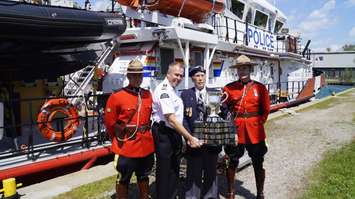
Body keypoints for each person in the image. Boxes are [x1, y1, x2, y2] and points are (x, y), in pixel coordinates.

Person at [104, 60, 154, 199]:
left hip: (145, 144)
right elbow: (110, 123)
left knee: (144, 175)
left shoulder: (147, 95)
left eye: (140, 75)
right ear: (128, 76)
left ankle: (144, 196)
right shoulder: (117, 96)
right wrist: (120, 136)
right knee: (123, 177)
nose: (137, 78)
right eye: (134, 75)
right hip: (126, 144)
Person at [223, 55, 270, 199]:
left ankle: (260, 193)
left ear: (250, 69)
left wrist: (257, 123)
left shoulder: (260, 88)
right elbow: (224, 107)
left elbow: (265, 109)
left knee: (258, 161)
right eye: (239, 68)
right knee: (232, 160)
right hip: (236, 130)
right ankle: (231, 192)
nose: (242, 71)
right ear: (236, 70)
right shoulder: (229, 88)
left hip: (254, 130)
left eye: (245, 68)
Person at [152, 62, 202, 199]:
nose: (179, 78)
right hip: (164, 134)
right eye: (176, 74)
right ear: (168, 74)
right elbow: (172, 119)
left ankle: (172, 195)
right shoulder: (164, 90)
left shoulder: (171, 89)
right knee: (164, 172)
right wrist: (190, 138)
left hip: (173, 133)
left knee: (174, 169)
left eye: (181, 75)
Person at [181, 65, 222, 199]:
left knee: (211, 171)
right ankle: (192, 197)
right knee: (193, 172)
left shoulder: (215, 93)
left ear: (205, 77)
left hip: (211, 140)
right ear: (192, 78)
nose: (200, 79)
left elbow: (223, 115)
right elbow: (184, 119)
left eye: (202, 75)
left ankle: (210, 197)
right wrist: (189, 137)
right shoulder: (186, 94)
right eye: (197, 76)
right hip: (194, 141)